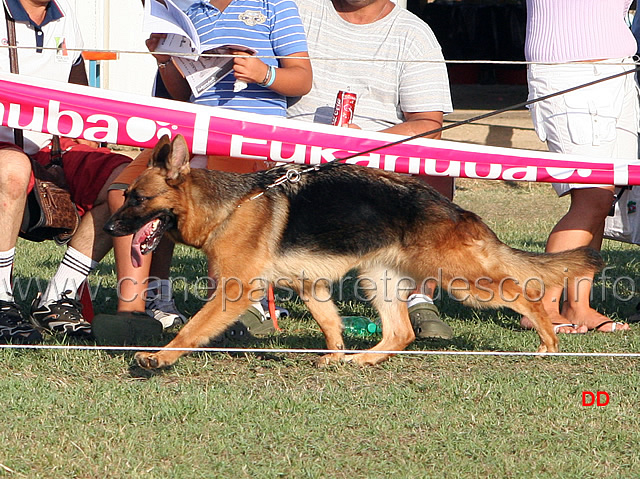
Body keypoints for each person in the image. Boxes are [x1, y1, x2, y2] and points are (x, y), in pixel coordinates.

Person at [107, 0, 311, 332]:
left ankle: (235, 305)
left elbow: (302, 80)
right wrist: (164, 61)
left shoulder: (274, 5)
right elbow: (183, 93)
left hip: (253, 134)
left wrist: (264, 73)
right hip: (197, 130)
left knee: (226, 209)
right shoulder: (186, 8)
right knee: (123, 193)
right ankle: (138, 307)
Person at [286, 0, 455, 340]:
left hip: (379, 160)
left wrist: (368, 143)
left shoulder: (413, 33)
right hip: (293, 156)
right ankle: (251, 299)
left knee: (437, 171)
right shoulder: (296, 13)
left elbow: (428, 125)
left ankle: (418, 298)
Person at [0, 0, 133, 343]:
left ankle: (59, 298)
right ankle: (1, 302)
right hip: (4, 150)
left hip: (52, 151)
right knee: (14, 167)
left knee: (128, 181)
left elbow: (80, 94)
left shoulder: (65, 14)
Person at [521, 0, 637, 334]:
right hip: (568, 70)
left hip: (619, 69)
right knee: (592, 198)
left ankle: (578, 306)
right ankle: (541, 306)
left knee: (604, 196)